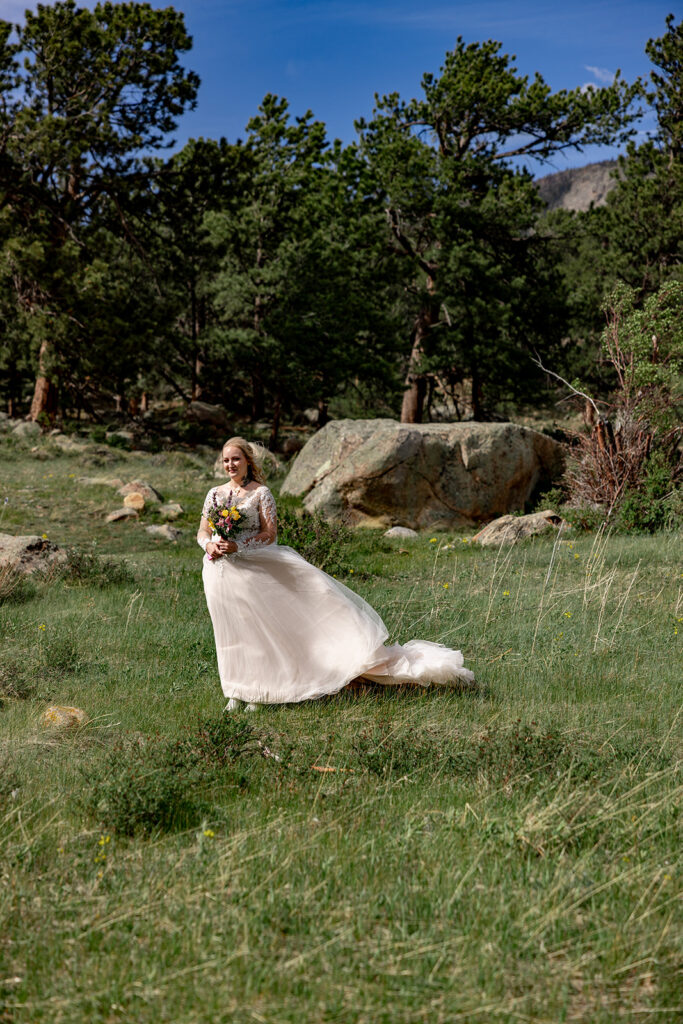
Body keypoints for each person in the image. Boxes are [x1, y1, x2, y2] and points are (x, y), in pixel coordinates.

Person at [198, 437, 474, 709]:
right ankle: (235, 692)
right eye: (226, 460)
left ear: (248, 461)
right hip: (219, 571)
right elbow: (203, 531)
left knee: (260, 633)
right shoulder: (214, 494)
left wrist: (238, 545)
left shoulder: (261, 493)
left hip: (255, 569)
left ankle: (259, 692)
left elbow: (270, 535)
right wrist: (210, 544)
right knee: (230, 634)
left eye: (236, 459)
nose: (230, 465)